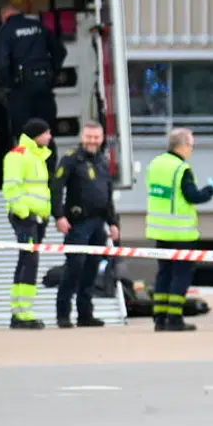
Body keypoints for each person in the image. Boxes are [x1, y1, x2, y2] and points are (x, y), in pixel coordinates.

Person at [144, 128, 213, 332]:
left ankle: (159, 318)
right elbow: (193, 196)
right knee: (181, 275)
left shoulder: (155, 164)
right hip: (181, 232)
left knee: (164, 273)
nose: (191, 150)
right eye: (191, 146)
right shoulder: (181, 168)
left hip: (159, 231)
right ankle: (175, 318)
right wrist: (211, 189)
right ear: (183, 146)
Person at [52, 120, 120, 328]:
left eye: (96, 137)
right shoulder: (71, 159)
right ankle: (63, 314)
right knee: (74, 267)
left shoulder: (102, 161)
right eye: (89, 137)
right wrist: (59, 216)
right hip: (77, 223)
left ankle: (85, 314)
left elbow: (107, 196)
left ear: (101, 139)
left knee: (91, 269)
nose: (92, 141)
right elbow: (56, 188)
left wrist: (113, 223)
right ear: (82, 137)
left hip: (98, 223)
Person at [1, 119, 53, 329]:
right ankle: (23, 312)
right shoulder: (18, 155)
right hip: (26, 217)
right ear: (37, 135)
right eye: (47, 133)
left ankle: (20, 311)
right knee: (29, 261)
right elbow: (11, 188)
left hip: (37, 218)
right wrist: (24, 213)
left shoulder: (37, 156)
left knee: (28, 259)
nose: (50, 137)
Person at [0, 5, 66, 135]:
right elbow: (60, 51)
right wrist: (53, 74)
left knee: (24, 133)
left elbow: (2, 63)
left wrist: (10, 83)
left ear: (4, 17)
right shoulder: (38, 26)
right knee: (46, 132)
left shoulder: (5, 31)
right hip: (44, 85)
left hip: (22, 89)